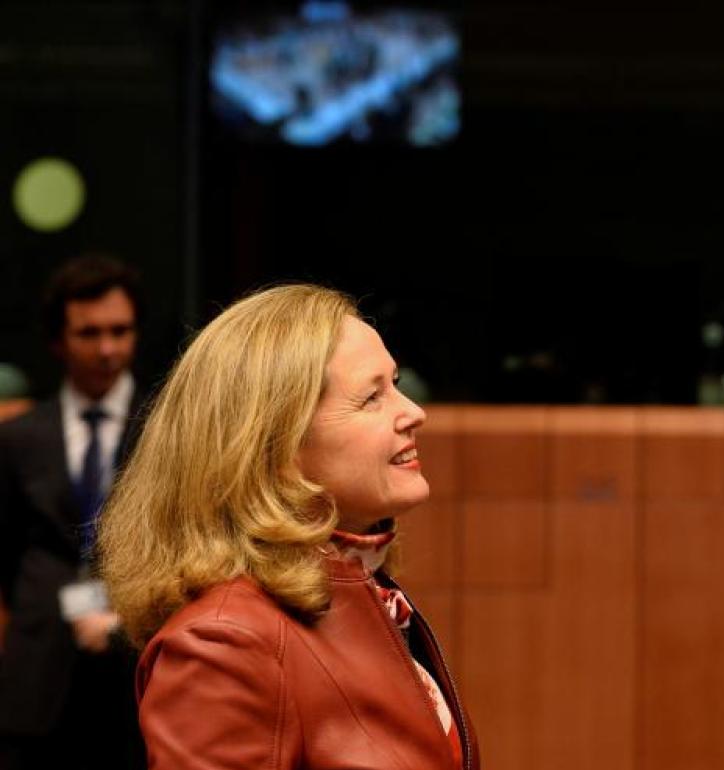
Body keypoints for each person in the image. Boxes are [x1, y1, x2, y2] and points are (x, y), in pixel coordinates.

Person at [96, 284, 476, 769]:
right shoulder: (223, 644)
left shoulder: (363, 593)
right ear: (276, 446)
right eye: (371, 397)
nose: (413, 413)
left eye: (396, 383)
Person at [0, 255, 147, 770]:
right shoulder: (19, 437)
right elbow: (10, 550)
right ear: (59, 341)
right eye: (89, 333)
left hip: (137, 656)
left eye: (120, 331)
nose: (107, 349)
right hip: (41, 666)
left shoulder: (164, 430)